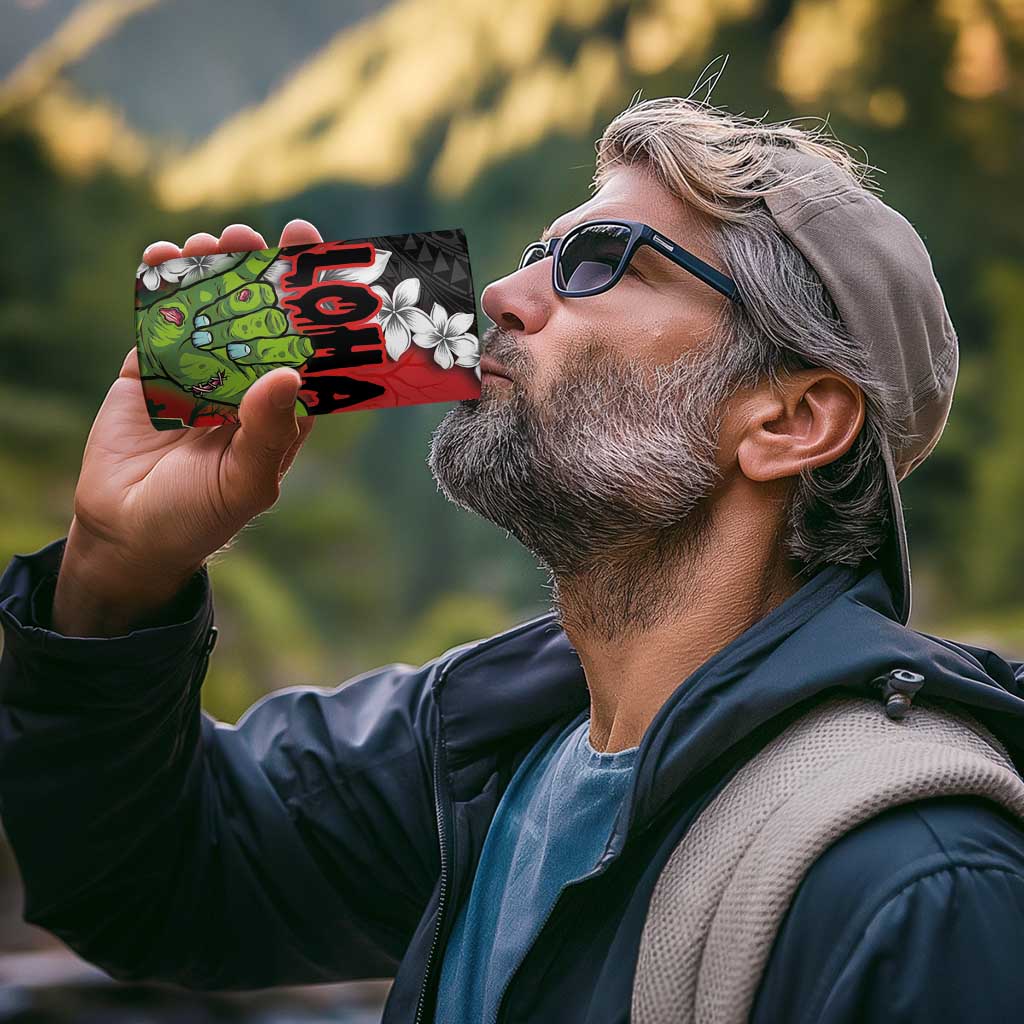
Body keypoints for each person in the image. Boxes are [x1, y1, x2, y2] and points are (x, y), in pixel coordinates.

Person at [2, 95, 1024, 1024]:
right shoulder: (483, 745)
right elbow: (151, 879)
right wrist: (116, 573)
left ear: (790, 421)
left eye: (601, 261)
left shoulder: (919, 886)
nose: (499, 291)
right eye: (541, 251)